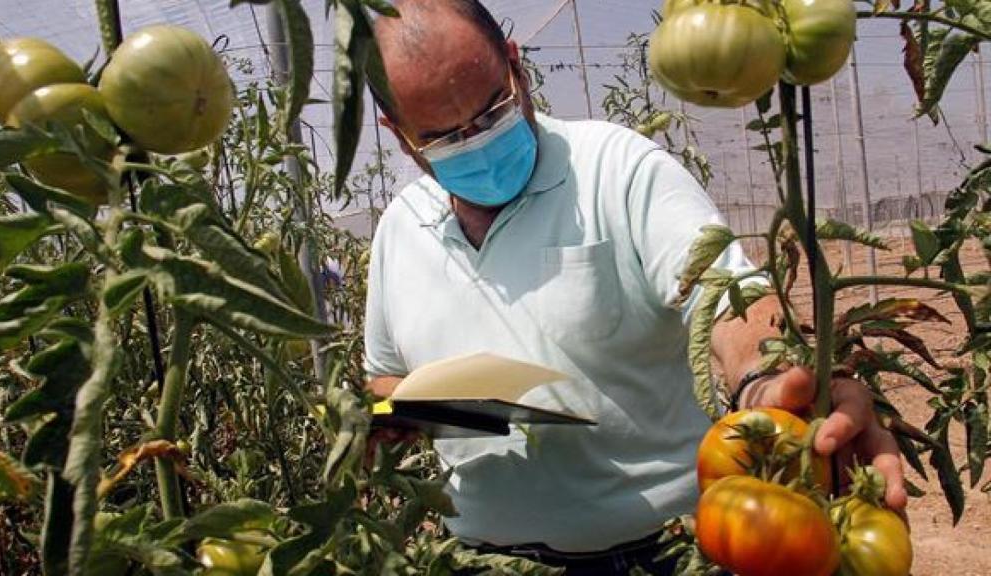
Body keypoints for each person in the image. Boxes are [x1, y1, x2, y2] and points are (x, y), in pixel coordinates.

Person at [362, 1, 907, 573]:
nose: (475, 142)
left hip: (659, 554)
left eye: (491, 110)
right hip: (480, 560)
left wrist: (765, 382)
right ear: (399, 136)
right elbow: (384, 372)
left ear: (516, 66)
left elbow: (725, 294)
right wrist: (418, 410)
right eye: (444, 137)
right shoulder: (400, 230)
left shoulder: (615, 169)